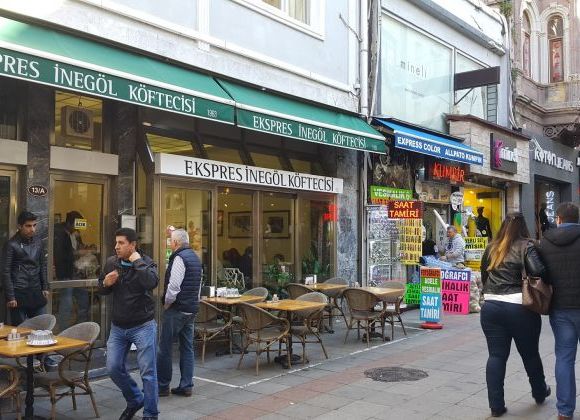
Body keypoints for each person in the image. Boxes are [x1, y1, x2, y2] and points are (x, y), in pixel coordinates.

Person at [480, 212, 551, 417]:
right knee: (530, 353)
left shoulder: (492, 247)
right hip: (520, 307)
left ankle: (496, 406)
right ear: (523, 227)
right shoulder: (526, 246)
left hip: (491, 306)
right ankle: (539, 392)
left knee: (496, 356)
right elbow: (539, 271)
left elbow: (485, 275)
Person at [98, 228, 159, 420]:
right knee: (113, 368)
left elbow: (151, 282)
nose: (116, 246)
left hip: (143, 325)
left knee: (148, 373)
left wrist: (137, 262)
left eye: (121, 243)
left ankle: (150, 414)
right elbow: (101, 289)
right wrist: (106, 283)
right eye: (116, 242)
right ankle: (135, 399)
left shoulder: (146, 263)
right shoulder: (112, 262)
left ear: (132, 245)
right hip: (118, 327)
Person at [537, 202, 580, 420]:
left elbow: (540, 273)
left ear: (559, 219)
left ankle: (564, 411)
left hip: (561, 308)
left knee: (564, 358)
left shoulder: (545, 242)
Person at [157, 229, 201, 398]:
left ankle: (162, 386)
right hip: (191, 309)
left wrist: (167, 303)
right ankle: (186, 385)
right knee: (187, 347)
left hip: (177, 309)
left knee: (165, 347)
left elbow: (174, 286)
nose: (169, 243)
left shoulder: (179, 258)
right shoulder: (195, 258)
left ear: (175, 242)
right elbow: (198, 285)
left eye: (170, 240)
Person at [2, 211, 49, 325]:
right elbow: (5, 272)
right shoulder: (11, 244)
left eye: (34, 225)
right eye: (28, 226)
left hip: (35, 290)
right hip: (19, 291)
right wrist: (11, 296)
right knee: (21, 329)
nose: (32, 229)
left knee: (42, 328)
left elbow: (42, 265)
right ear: (19, 226)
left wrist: (45, 287)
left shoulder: (38, 242)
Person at [53, 211, 90, 330]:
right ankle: (64, 329)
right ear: (69, 223)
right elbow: (61, 254)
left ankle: (81, 326)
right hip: (65, 272)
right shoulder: (60, 233)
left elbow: (78, 247)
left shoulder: (75, 234)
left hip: (76, 271)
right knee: (67, 301)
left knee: (83, 297)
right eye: (76, 225)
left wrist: (81, 248)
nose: (77, 229)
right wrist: (77, 253)